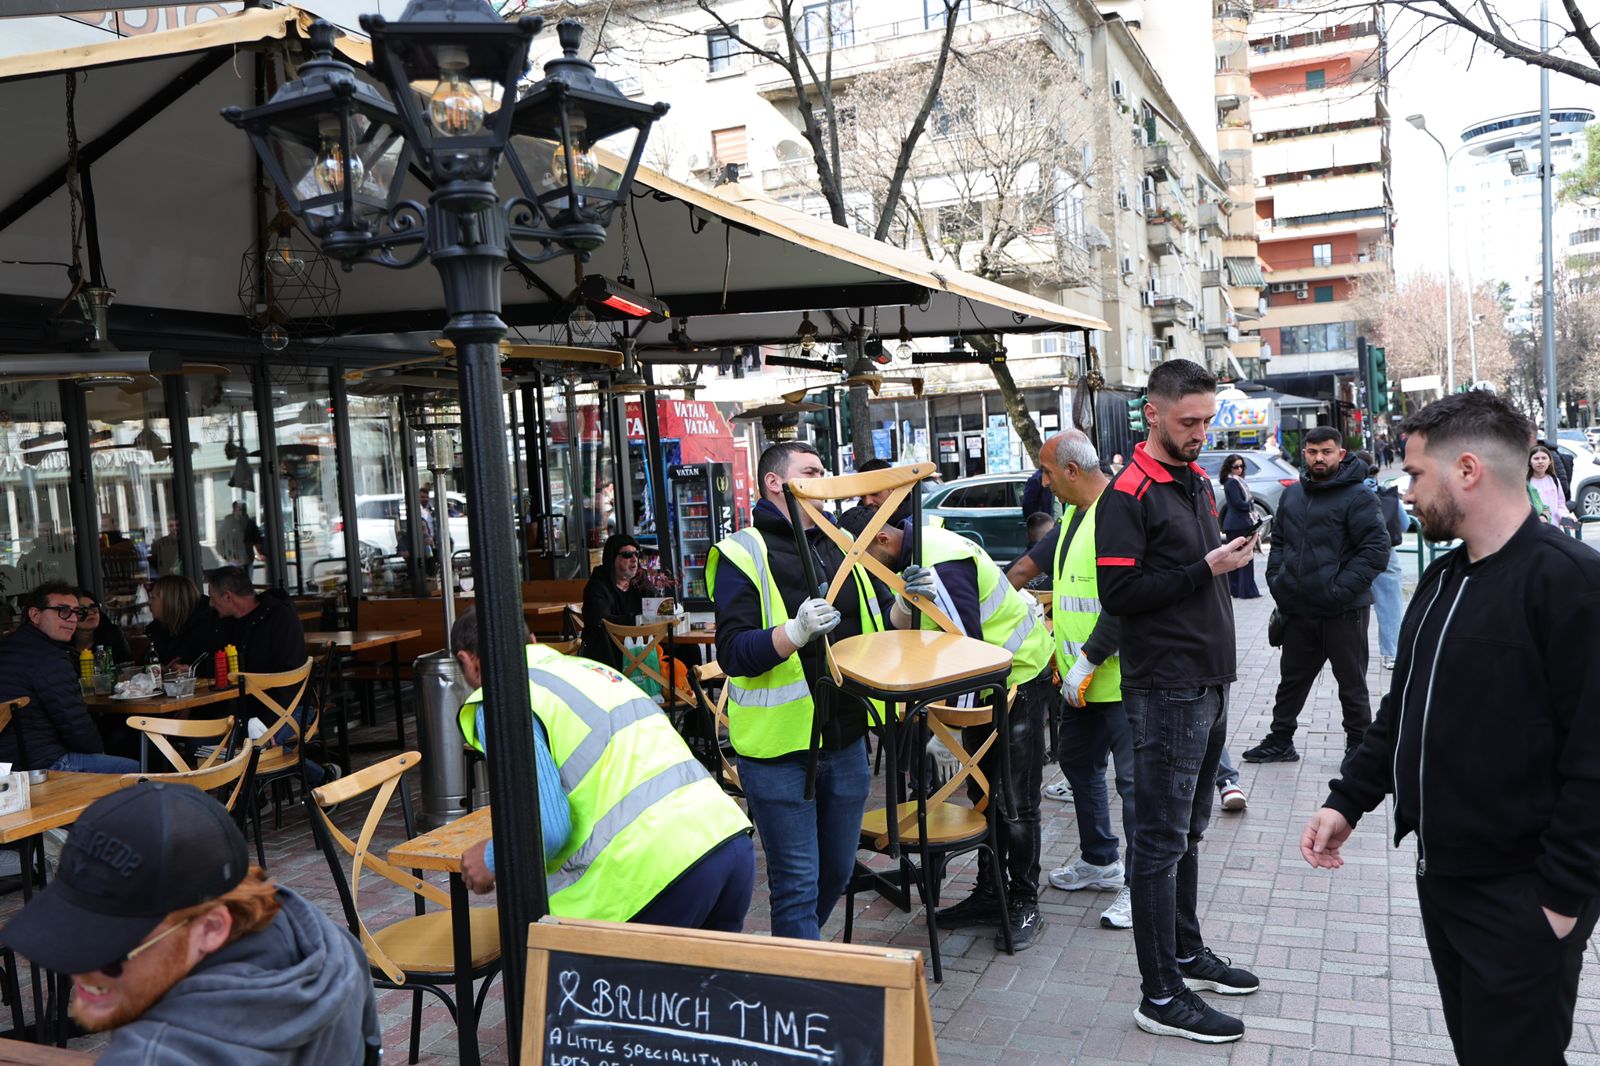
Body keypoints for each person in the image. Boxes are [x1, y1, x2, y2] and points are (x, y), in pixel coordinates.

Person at [1302, 390, 1600, 1066]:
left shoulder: (1571, 583)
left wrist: (1557, 904)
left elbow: (1594, 762)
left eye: (1412, 474)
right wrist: (1347, 799)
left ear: (1467, 470)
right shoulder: (1441, 579)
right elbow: (1402, 709)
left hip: (1522, 897)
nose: (1403, 492)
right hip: (1444, 878)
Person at [1096, 359, 1260, 1043]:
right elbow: (1120, 597)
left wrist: (1224, 556)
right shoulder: (1127, 493)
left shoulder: (1194, 480)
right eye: (1189, 421)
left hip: (1206, 679)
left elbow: (1189, 575)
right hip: (1165, 687)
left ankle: (1187, 953)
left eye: (1207, 420)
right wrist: (1207, 567)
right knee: (1160, 843)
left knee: (1187, 832)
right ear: (1154, 414)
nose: (1202, 432)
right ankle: (1159, 994)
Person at [0, 781, 380, 1064]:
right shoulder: (328, 943)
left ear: (212, 927)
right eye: (74, 932)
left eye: (112, 946)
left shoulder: (155, 1054)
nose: (79, 969)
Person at [451, 610, 756, 928]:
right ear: (532, 642)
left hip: (659, 874)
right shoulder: (588, 670)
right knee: (702, 980)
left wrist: (491, 859)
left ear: (469, 663)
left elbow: (549, 828)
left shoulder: (503, 699)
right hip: (726, 841)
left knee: (566, 973)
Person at [841, 504, 1054, 950]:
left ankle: (1022, 901)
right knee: (984, 795)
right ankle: (990, 891)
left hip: (1018, 675)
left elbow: (964, 650)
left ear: (882, 540)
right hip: (993, 681)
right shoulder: (919, 552)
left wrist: (944, 727)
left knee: (1014, 799)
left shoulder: (937, 557)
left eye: (866, 562)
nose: (871, 573)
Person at [707, 441, 889, 940]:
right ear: (775, 482)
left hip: (845, 737)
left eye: (824, 469)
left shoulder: (836, 542)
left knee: (835, 873)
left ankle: (795, 962)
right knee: (796, 884)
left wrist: (908, 602)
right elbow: (734, 653)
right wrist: (795, 632)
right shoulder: (743, 551)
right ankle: (801, 999)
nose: (824, 479)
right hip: (778, 751)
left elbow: (869, 627)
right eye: (811, 471)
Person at [1031, 431, 1136, 932]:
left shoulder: (1119, 511)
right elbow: (1050, 569)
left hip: (1119, 678)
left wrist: (1089, 660)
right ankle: (1100, 860)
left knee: (1135, 786)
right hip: (1080, 680)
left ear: (1072, 471)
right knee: (1076, 761)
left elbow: (1123, 600)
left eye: (1048, 473)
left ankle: (1142, 885)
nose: (1044, 483)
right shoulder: (1074, 512)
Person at [1243, 427, 1389, 764]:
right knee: (1291, 680)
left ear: (1340, 453)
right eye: (1312, 452)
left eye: (1326, 451)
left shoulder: (1358, 496)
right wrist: (1277, 580)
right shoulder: (1293, 494)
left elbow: (1375, 551)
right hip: (1298, 608)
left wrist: (1338, 590)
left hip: (1344, 610)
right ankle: (1280, 740)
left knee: (1351, 684)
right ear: (1304, 454)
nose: (1318, 458)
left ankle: (1359, 747)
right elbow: (1278, 542)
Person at [0, 581, 138, 774]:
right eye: (63, 611)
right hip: (40, 766)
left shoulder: (9, 647)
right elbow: (75, 724)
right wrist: (100, 753)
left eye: (76, 612)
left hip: (9, 764)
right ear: (35, 615)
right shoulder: (49, 657)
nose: (73, 619)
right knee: (139, 769)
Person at [208, 567, 327, 783]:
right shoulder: (225, 624)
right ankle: (252, 798)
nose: (210, 603)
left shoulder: (280, 617)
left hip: (292, 708)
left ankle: (319, 778)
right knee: (204, 743)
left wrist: (268, 724)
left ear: (228, 596)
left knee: (249, 743)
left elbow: (290, 679)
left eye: (213, 597)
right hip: (245, 712)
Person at [1358, 452, 1408, 671]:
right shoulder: (1385, 492)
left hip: (1355, 555)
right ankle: (1391, 654)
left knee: (1352, 606)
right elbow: (1404, 524)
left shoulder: (1349, 493)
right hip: (1386, 554)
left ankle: (1352, 653)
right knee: (1390, 606)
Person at [580, 533, 644, 670]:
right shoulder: (597, 587)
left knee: (688, 649)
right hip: (609, 653)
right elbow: (602, 621)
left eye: (636, 554)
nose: (634, 559)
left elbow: (654, 609)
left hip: (641, 646)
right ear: (612, 558)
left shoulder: (640, 583)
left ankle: (691, 690)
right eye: (627, 555)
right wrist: (638, 619)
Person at [147, 574, 221, 671]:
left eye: (153, 598)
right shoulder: (160, 627)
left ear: (169, 600)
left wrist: (188, 669)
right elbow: (149, 659)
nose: (149, 602)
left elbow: (210, 665)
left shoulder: (206, 623)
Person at [1217, 454, 1260, 600]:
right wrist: (1251, 504)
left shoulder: (1236, 481)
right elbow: (1238, 503)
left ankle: (1236, 590)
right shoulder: (1232, 482)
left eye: (1242, 466)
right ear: (1229, 467)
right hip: (1239, 524)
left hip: (1237, 523)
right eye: (1236, 466)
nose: (1239, 469)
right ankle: (1246, 591)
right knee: (1245, 557)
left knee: (1237, 558)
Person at [70, 589, 131, 665]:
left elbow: (127, 668)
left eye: (93, 607)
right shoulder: (62, 645)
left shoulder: (113, 635)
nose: (90, 612)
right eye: (82, 610)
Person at [1528, 443, 1577, 532]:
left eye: (1544, 458)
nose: (1540, 461)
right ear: (1530, 462)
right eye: (1536, 458)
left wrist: (1567, 516)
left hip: (1554, 529)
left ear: (1550, 461)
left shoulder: (1554, 480)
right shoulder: (1526, 483)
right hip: (1535, 531)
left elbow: (1560, 504)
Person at [218, 501, 263, 578]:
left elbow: (257, 540)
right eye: (239, 510)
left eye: (242, 510)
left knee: (241, 582)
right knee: (243, 582)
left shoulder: (248, 523)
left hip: (242, 559)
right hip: (238, 559)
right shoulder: (230, 522)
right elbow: (220, 541)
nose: (241, 512)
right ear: (234, 510)